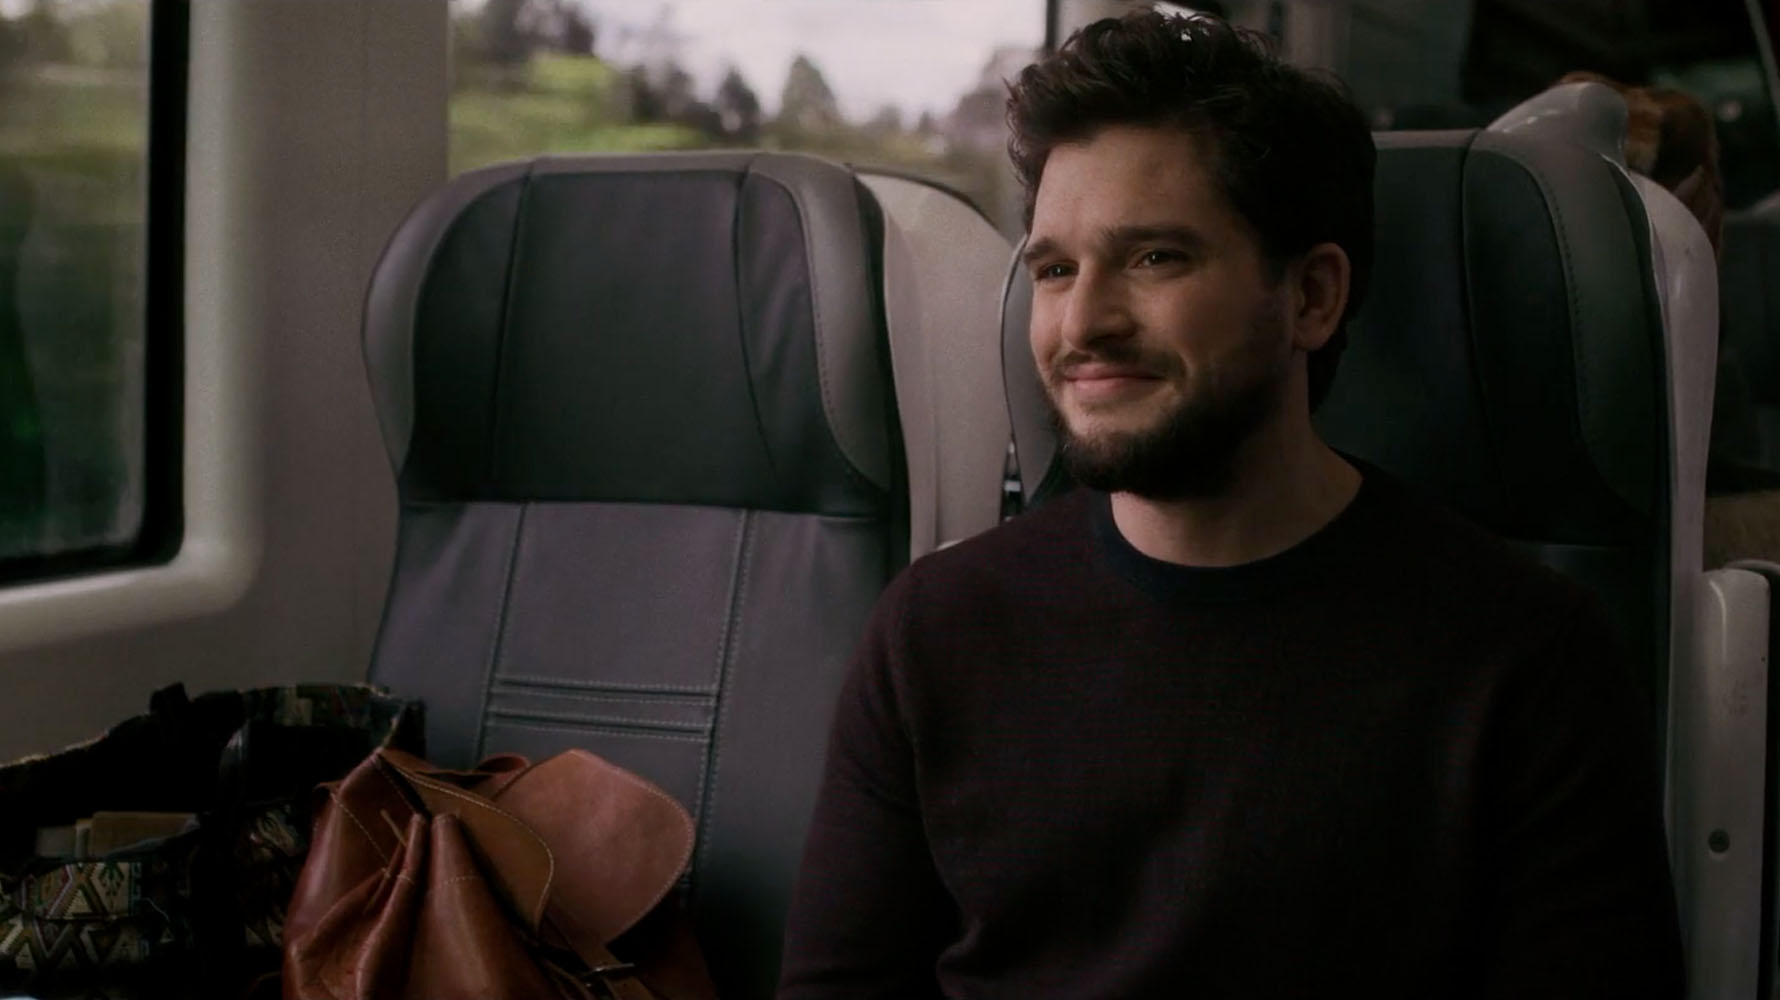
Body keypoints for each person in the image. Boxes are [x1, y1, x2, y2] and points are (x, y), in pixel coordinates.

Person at [777, 11, 1682, 999]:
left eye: (1155, 257)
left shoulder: (1523, 661)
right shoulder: (934, 632)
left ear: (1311, 298)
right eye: (1055, 270)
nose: (1083, 322)